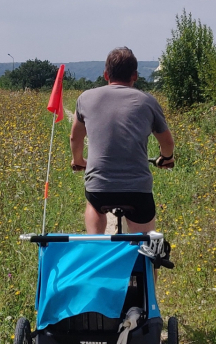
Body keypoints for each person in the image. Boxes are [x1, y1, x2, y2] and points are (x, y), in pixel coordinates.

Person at [70, 47, 174, 234]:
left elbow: (75, 138)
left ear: (105, 74)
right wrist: (166, 158)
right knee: (144, 246)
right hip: (137, 189)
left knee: (93, 204)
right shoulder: (148, 101)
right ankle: (143, 258)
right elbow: (167, 143)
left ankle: (96, 246)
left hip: (99, 188)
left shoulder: (85, 98)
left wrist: (78, 161)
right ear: (135, 75)